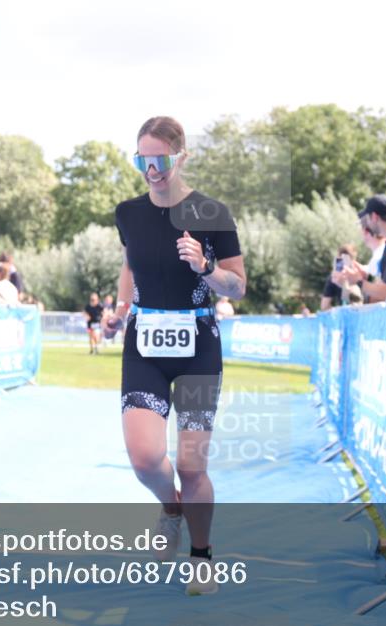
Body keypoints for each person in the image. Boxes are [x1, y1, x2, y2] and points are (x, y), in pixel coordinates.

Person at [105, 116, 246, 595]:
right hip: (144, 340)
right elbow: (129, 261)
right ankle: (171, 508)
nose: (151, 168)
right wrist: (120, 307)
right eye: (142, 158)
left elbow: (238, 286)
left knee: (192, 466)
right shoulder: (127, 212)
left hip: (198, 344)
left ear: (181, 157)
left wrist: (204, 267)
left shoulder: (213, 214)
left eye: (160, 159)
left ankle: (201, 554)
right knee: (146, 459)